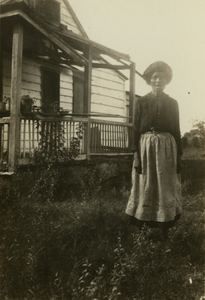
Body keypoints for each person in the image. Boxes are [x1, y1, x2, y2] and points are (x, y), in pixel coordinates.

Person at [125, 61, 182, 240]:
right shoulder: (141, 102)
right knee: (145, 185)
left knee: (165, 187)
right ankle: (142, 228)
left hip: (167, 148)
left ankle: (165, 229)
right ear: (150, 81)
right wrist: (136, 155)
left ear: (166, 82)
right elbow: (135, 129)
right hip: (145, 148)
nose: (158, 81)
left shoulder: (172, 103)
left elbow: (177, 130)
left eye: (162, 78)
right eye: (155, 77)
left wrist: (179, 157)